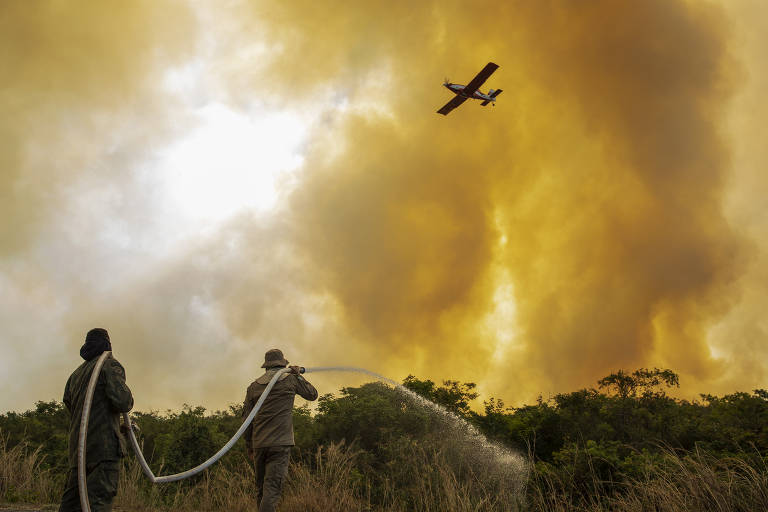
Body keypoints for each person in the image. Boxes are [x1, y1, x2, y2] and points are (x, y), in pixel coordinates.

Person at [59, 328, 134, 512]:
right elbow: (123, 402)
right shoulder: (108, 365)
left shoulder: (75, 376)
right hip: (103, 452)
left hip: (80, 452)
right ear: (107, 344)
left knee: (72, 506)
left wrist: (117, 426)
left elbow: (76, 407)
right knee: (98, 504)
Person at [242, 348, 318, 512]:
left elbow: (246, 421)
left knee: (261, 490)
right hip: (280, 444)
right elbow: (312, 394)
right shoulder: (291, 380)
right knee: (272, 490)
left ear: (266, 367)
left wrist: (249, 446)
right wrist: (298, 374)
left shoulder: (253, 387)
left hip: (259, 444)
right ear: (283, 363)